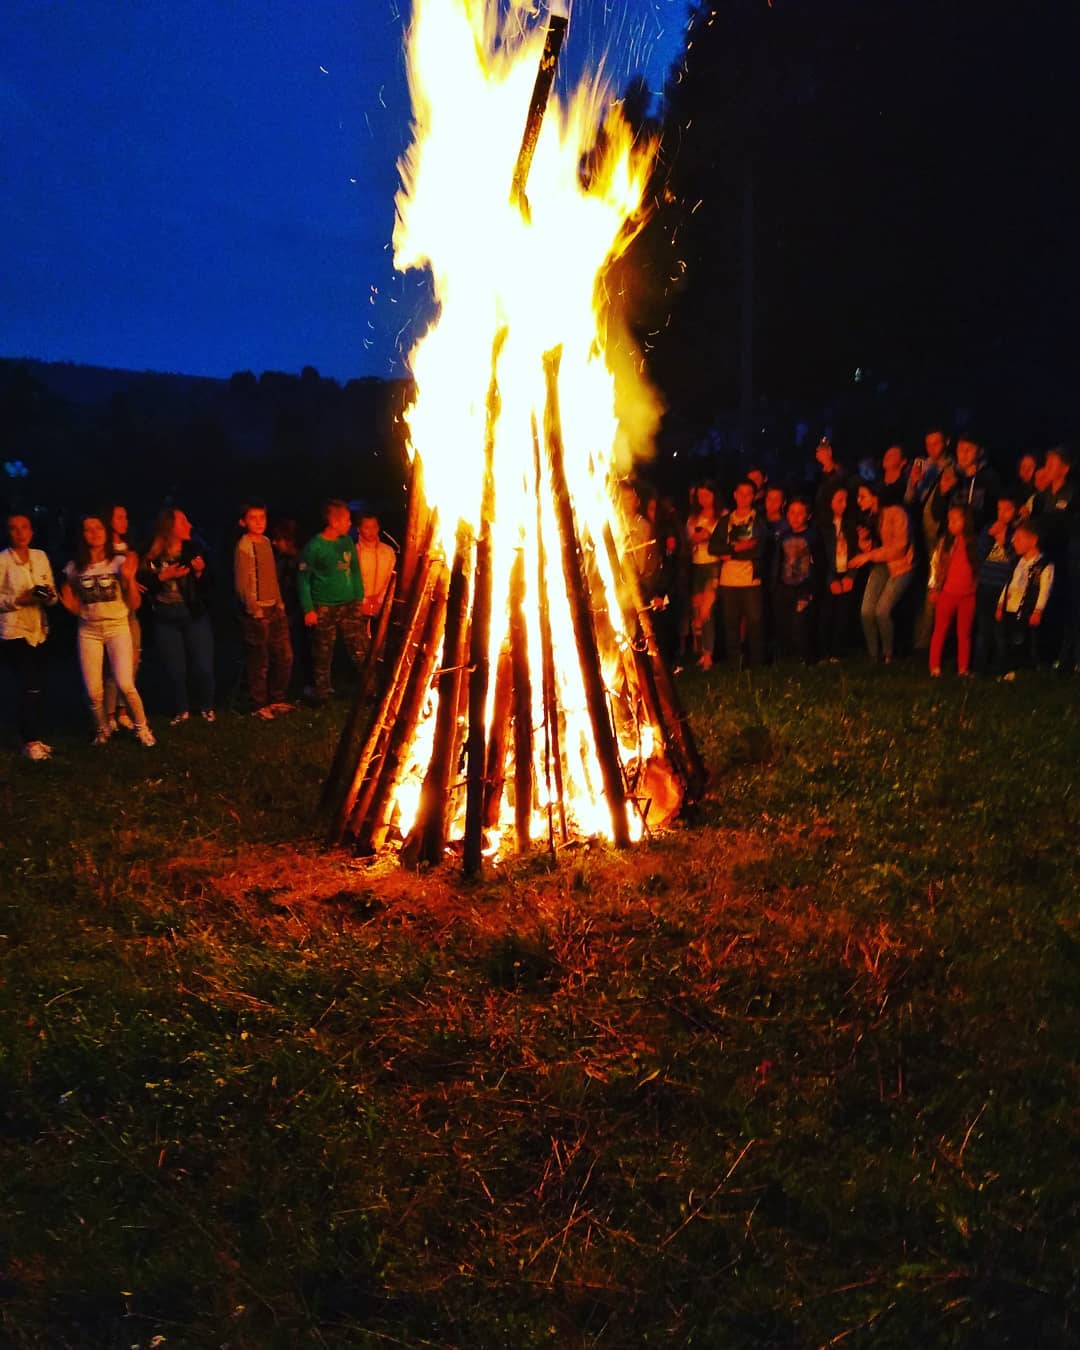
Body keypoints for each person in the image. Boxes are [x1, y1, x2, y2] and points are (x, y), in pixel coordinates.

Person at [60, 514, 154, 746]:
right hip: (89, 630)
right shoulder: (74, 567)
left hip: (117, 627)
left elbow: (134, 603)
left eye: (98, 527)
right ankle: (102, 730)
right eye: (88, 529)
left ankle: (142, 728)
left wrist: (130, 581)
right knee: (94, 692)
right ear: (81, 535)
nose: (95, 532)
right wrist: (73, 608)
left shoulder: (119, 562)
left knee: (125, 684)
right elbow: (69, 594)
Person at [139, 508, 215, 724]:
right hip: (165, 617)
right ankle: (181, 709)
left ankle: (206, 706)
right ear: (170, 527)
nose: (190, 525)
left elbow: (211, 586)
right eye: (184, 521)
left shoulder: (194, 550)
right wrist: (163, 576)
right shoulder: (151, 554)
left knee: (203, 666)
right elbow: (142, 585)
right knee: (175, 669)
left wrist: (200, 574)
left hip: (192, 614)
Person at [0, 512, 57, 759]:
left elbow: (51, 594)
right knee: (28, 684)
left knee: (37, 686)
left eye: (24, 527)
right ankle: (29, 740)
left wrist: (48, 595)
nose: (20, 532)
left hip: (39, 628)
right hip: (14, 629)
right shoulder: (3, 560)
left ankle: (35, 736)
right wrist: (20, 599)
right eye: (14, 528)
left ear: (32, 531)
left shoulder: (40, 556)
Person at [297, 498, 366, 703]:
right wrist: (308, 608)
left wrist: (358, 596)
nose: (349, 524)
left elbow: (354, 570)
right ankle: (322, 694)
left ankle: (369, 690)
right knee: (323, 652)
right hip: (324, 606)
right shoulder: (314, 547)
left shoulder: (346, 542)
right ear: (334, 522)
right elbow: (303, 579)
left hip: (349, 604)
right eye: (346, 520)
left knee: (360, 648)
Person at [234, 500, 294, 720]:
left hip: (274, 609)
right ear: (243, 522)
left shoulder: (267, 542)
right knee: (260, 661)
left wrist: (279, 602)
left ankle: (277, 698)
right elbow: (243, 582)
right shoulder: (244, 546)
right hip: (257, 612)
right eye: (253, 518)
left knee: (284, 656)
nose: (259, 522)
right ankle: (258, 703)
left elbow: (271, 576)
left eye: (262, 517)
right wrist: (253, 608)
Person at [849, 482, 914, 664]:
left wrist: (868, 555)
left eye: (863, 496)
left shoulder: (897, 513)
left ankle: (888, 655)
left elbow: (900, 548)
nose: (859, 500)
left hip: (902, 565)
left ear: (875, 497)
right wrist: (865, 542)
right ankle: (873, 654)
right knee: (866, 611)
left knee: (882, 611)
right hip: (882, 563)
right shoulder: (873, 516)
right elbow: (877, 546)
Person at [712, 479, 767, 669]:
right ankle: (734, 662)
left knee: (755, 621)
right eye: (741, 493)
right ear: (735, 495)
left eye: (748, 494)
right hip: (729, 581)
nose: (744, 498)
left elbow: (760, 548)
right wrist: (737, 548)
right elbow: (713, 547)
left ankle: (756, 662)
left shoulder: (759, 521)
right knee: (730, 622)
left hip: (751, 580)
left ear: (754, 496)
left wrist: (732, 553)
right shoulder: (726, 521)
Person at [101, 502, 141, 733]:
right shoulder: (101, 550)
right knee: (110, 665)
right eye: (119, 517)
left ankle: (123, 710)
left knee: (133, 660)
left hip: (130, 610)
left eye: (126, 516)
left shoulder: (131, 549)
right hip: (111, 612)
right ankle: (108, 715)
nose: (124, 521)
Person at [996, 519, 1054, 677]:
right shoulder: (1017, 561)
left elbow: (1045, 590)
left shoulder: (1044, 565)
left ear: (1033, 540)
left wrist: (1038, 610)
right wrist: (1001, 604)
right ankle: (1008, 669)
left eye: (1019, 538)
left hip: (1027, 610)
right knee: (1009, 640)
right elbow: (1009, 582)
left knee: (1027, 642)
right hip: (1011, 607)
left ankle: (1028, 671)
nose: (1014, 542)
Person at [927, 506, 978, 677]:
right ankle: (934, 667)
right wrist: (934, 587)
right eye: (949, 521)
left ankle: (963, 668)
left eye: (956, 520)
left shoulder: (974, 544)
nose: (951, 524)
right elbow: (936, 565)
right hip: (947, 594)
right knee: (940, 630)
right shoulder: (945, 543)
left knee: (964, 633)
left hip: (968, 595)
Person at [771, 498, 820, 663]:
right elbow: (778, 561)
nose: (795, 517)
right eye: (792, 512)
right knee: (784, 622)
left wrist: (813, 589)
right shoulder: (783, 536)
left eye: (800, 513)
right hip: (785, 586)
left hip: (804, 587)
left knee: (801, 624)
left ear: (808, 515)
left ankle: (807, 658)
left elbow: (820, 563)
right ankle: (787, 657)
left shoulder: (813, 536)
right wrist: (775, 584)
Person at [973, 494, 1017, 675]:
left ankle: (1000, 667)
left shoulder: (1016, 532)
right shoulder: (989, 528)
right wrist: (990, 537)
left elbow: (1015, 559)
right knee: (983, 628)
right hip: (985, 583)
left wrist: (1004, 541)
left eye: (1007, 510)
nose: (1002, 514)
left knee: (1000, 630)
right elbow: (979, 555)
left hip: (1002, 586)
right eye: (1000, 510)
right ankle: (979, 667)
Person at [819, 486, 859, 661]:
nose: (844, 504)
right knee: (826, 613)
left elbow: (858, 551)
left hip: (846, 573)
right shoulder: (823, 526)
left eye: (846, 500)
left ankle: (838, 652)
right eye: (839, 500)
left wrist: (851, 575)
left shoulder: (852, 524)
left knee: (842, 615)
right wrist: (830, 579)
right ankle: (823, 650)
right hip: (828, 575)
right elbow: (819, 555)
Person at [685, 481, 722, 670]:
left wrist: (710, 537)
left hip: (714, 565)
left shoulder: (721, 516)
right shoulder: (693, 518)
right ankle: (700, 652)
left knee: (708, 610)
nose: (703, 500)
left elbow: (724, 541)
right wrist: (694, 539)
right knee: (697, 610)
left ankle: (709, 654)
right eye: (700, 496)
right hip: (697, 566)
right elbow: (688, 544)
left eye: (707, 495)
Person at [813, 437, 846, 526]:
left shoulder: (839, 475)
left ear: (830, 451)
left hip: (834, 522)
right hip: (821, 521)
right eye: (817, 450)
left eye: (820, 450)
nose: (817, 452)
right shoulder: (817, 475)